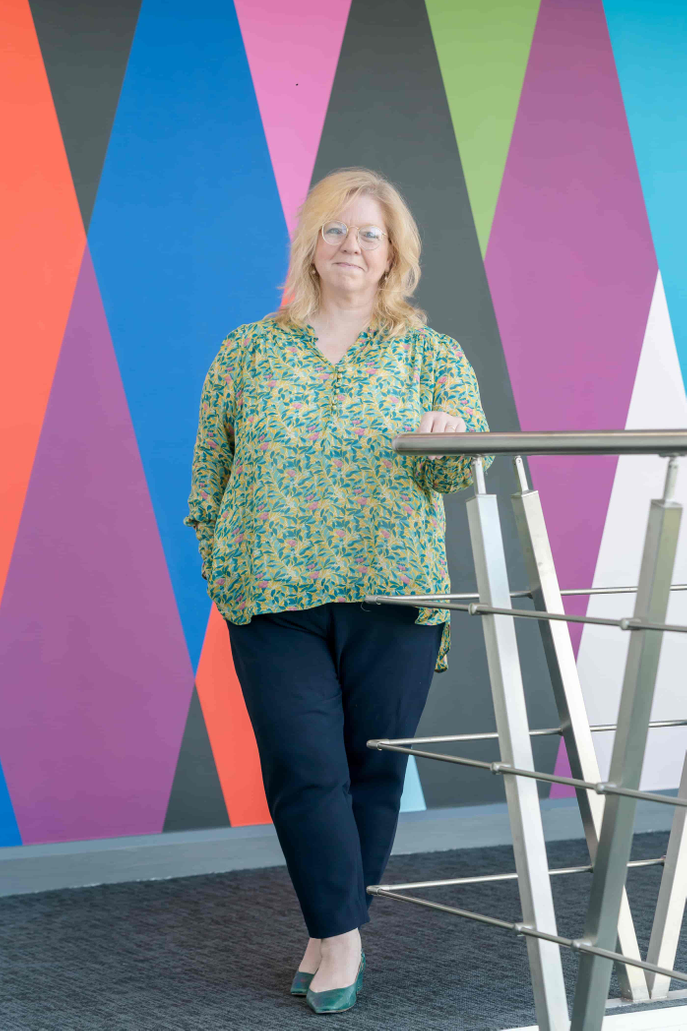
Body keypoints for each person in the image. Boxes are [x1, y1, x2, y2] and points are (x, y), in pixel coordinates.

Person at [184, 167, 493, 1014]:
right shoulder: (247, 349)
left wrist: (448, 435)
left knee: (369, 772)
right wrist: (224, 563)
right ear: (310, 246)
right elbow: (208, 474)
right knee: (301, 766)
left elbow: (469, 469)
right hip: (271, 596)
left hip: (392, 594)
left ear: (393, 252)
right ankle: (346, 936)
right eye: (335, 229)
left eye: (368, 233)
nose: (350, 246)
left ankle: (326, 929)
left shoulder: (431, 355)